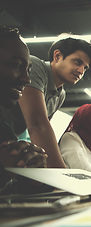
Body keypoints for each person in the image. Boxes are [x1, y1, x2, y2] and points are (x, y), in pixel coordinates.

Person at [0, 34, 91, 168]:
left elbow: (44, 131)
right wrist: (62, 174)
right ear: (57, 56)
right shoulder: (36, 67)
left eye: (85, 68)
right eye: (77, 62)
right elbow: (37, 125)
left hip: (8, 143)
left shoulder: (60, 94)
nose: (81, 71)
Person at [0, 26, 48, 194]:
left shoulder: (4, 130)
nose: (27, 79)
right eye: (17, 65)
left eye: (28, 70)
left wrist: (33, 177)